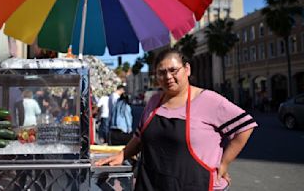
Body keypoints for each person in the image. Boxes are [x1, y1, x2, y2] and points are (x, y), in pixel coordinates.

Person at [96, 48, 257, 191]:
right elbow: (139, 137)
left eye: (173, 70)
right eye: (161, 72)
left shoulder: (208, 99)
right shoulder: (154, 101)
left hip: (196, 184)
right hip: (151, 184)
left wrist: (224, 163)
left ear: (187, 69)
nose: (167, 76)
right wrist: (122, 155)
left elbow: (245, 127)